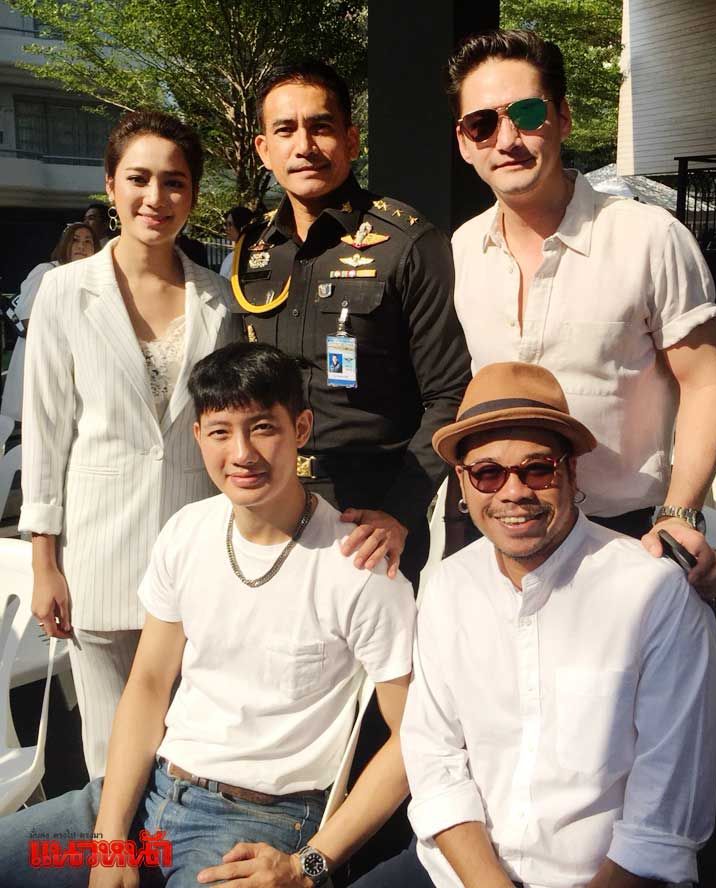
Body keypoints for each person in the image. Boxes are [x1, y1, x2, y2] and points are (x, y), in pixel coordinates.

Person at [0, 342, 415, 888]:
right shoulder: (187, 532)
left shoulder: (360, 567)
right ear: (198, 436)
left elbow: (414, 739)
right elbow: (149, 685)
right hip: (145, 796)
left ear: (301, 428)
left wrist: (308, 866)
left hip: (258, 824)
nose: (242, 453)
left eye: (262, 428)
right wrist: (110, 839)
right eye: (221, 431)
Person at [354, 361, 716, 888]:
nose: (513, 492)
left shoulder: (655, 594)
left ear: (572, 472)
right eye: (487, 473)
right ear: (462, 483)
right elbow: (434, 759)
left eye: (537, 469)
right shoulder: (449, 587)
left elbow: (665, 820)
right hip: (461, 872)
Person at [445, 30, 716, 596]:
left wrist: (680, 513)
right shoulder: (462, 249)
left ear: (563, 118)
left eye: (527, 114)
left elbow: (705, 381)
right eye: (483, 124)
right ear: (465, 141)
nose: (508, 139)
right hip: (504, 527)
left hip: (627, 532)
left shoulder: (648, 237)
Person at [20, 110, 235, 780]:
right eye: (138, 179)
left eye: (174, 182)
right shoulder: (65, 291)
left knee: (189, 757)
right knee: (110, 759)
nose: (155, 197)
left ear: (192, 194)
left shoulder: (218, 299)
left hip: (197, 561)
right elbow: (46, 428)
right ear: (111, 186)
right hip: (97, 556)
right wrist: (45, 563)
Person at [231, 59, 470, 589]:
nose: (304, 146)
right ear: (263, 149)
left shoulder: (409, 244)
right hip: (268, 506)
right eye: (285, 130)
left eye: (320, 126)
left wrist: (401, 510)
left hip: (369, 518)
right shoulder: (252, 253)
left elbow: (450, 393)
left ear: (352, 139)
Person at [0, 222, 99, 421]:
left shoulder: (94, 279)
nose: (81, 246)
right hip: (42, 360)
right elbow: (27, 320)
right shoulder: (47, 271)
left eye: (88, 241)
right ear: (65, 244)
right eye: (75, 240)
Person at [219, 205, 255, 278]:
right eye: (226, 224)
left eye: (230, 224)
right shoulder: (231, 257)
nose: (227, 228)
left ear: (242, 226)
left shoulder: (252, 255)